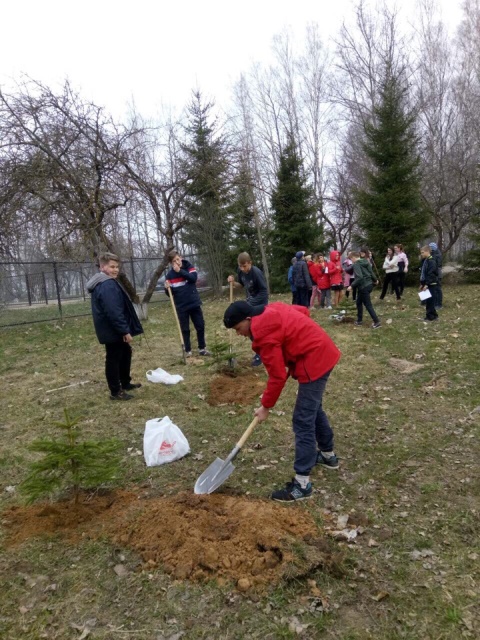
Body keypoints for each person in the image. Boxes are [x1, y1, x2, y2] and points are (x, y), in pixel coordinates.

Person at [223, 300, 341, 502]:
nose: (238, 333)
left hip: (315, 360)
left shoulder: (264, 335)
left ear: (249, 319)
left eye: (238, 328)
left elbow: (277, 377)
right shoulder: (271, 309)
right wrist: (297, 340)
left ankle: (302, 485)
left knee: (303, 419)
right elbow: (301, 310)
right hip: (322, 351)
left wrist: (266, 406)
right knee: (313, 408)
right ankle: (328, 456)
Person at [87, 252, 144, 401]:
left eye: (117, 267)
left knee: (125, 353)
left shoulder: (107, 281)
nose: (116, 270)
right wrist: (124, 331)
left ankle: (125, 382)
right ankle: (115, 391)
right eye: (112, 266)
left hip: (113, 328)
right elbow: (113, 311)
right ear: (102, 266)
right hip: (112, 330)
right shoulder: (106, 284)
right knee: (114, 358)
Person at [165, 250, 211, 357]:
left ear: (181, 257)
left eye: (178, 259)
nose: (177, 262)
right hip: (181, 306)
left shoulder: (189, 267)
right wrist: (167, 288)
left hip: (194, 303)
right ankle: (188, 350)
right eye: (174, 261)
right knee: (185, 329)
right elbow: (170, 294)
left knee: (200, 325)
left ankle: (202, 348)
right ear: (171, 263)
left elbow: (193, 278)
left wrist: (180, 271)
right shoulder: (170, 276)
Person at [228, 252, 268, 366]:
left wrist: (250, 303)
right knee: (250, 329)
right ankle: (259, 351)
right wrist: (233, 283)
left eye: (244, 266)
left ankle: (262, 353)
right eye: (240, 266)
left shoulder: (256, 272)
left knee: (258, 329)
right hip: (250, 303)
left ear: (250, 263)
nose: (242, 268)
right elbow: (241, 285)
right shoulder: (240, 271)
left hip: (260, 304)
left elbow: (264, 292)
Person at [347, 249, 381, 329]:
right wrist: (375, 280)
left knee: (368, 304)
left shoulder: (356, 264)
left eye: (351, 259)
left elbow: (359, 277)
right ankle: (359, 320)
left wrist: (352, 285)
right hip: (369, 285)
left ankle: (377, 322)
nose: (351, 261)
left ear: (353, 257)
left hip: (363, 286)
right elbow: (371, 272)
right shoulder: (365, 261)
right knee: (359, 302)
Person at [420, 245, 439, 321]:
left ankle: (430, 317)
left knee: (430, 301)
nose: (421, 254)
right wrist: (422, 283)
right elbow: (424, 273)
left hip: (431, 284)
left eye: (422, 252)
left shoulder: (432, 261)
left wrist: (427, 284)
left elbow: (431, 274)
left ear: (427, 251)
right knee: (428, 301)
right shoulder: (426, 260)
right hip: (426, 283)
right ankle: (434, 315)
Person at [428, 242, 443, 310]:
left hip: (437, 274)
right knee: (434, 289)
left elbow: (437, 265)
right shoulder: (433, 254)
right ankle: (434, 302)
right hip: (434, 273)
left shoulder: (437, 255)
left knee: (437, 289)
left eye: (430, 248)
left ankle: (439, 304)